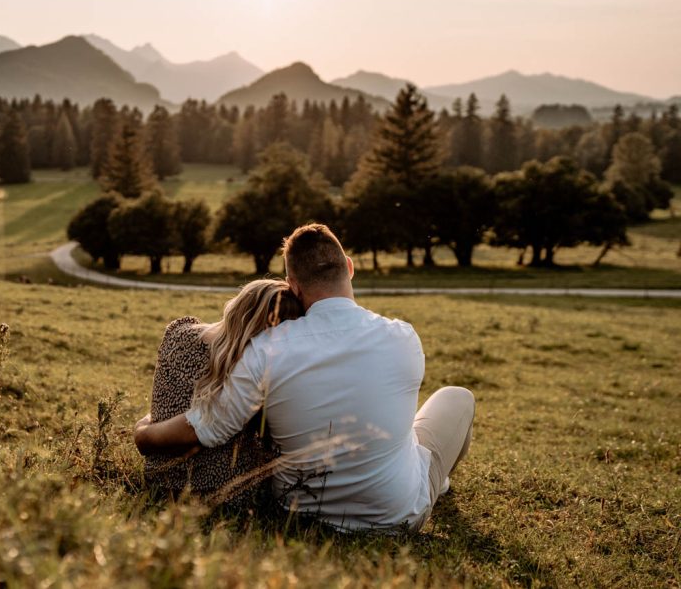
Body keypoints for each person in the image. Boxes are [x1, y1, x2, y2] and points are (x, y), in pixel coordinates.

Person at [134, 223, 475, 532]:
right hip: (394, 515)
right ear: (350, 268)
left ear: (293, 287)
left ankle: (430, 480)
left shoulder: (267, 349)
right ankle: (434, 484)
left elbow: (208, 426)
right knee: (458, 398)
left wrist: (144, 436)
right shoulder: (403, 337)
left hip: (298, 510)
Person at [144, 279, 303, 502]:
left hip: (159, 479)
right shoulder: (253, 365)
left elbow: (164, 400)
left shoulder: (178, 332)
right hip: (227, 491)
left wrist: (145, 425)